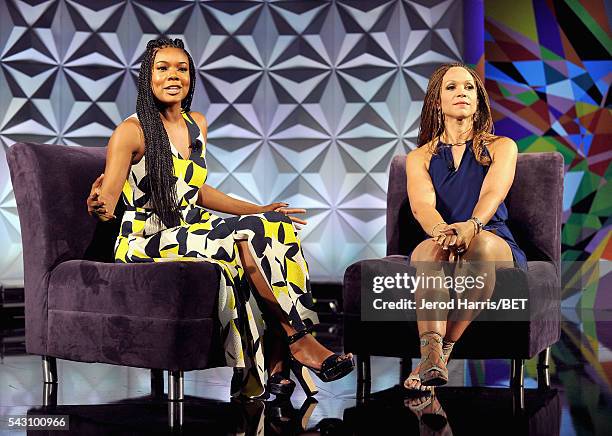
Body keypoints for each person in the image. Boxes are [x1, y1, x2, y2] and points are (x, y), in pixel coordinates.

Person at [86, 37, 353, 399]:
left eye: (182, 68)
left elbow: (196, 189)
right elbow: (109, 199)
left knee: (274, 226)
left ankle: (279, 354)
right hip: (144, 239)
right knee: (243, 241)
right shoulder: (130, 132)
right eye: (162, 68)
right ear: (147, 78)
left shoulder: (197, 124)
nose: (173, 75)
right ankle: (296, 339)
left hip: (189, 227)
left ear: (191, 78)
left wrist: (259, 209)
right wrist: (98, 204)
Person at [403, 62, 527, 391]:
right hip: (441, 235)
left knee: (482, 246)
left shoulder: (503, 146)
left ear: (479, 100)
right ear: (436, 101)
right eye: (452, 87)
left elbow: (492, 192)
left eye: (469, 88)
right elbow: (423, 205)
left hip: (491, 236)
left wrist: (471, 226)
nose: (462, 93)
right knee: (431, 252)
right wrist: (444, 232)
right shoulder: (420, 157)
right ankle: (429, 351)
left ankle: (443, 351)